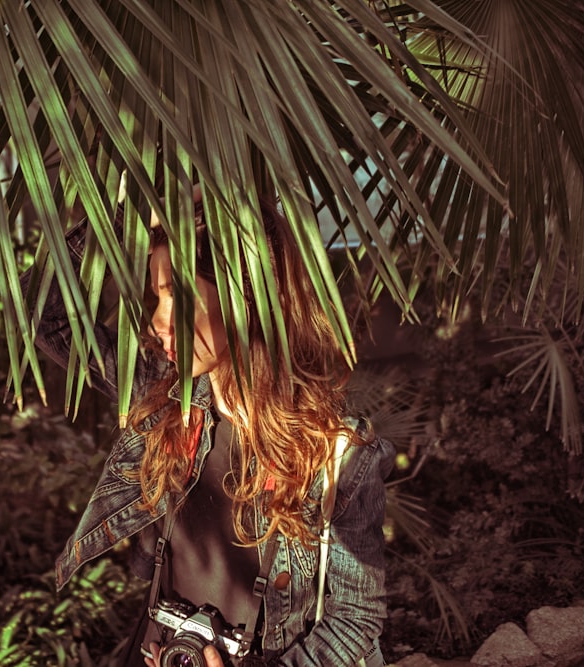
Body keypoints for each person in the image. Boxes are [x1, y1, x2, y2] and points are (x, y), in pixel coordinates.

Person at [30, 191, 394, 666]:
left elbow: (355, 620)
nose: (159, 323)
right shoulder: (161, 396)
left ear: (246, 298)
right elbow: (47, 316)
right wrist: (127, 213)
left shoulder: (336, 454)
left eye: (177, 298)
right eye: (156, 297)